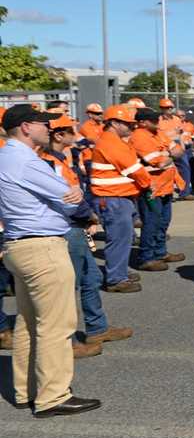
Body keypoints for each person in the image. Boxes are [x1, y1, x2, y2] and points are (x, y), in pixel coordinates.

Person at [0, 104, 102, 417]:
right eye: (43, 123)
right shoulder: (25, 161)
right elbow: (70, 201)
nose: (49, 128)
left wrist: (72, 195)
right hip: (42, 247)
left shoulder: (6, 156)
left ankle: (25, 390)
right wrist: (79, 201)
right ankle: (52, 396)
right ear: (25, 127)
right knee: (56, 326)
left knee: (29, 323)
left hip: (20, 245)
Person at [43, 115, 133, 352]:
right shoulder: (49, 162)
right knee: (66, 287)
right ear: (59, 135)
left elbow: (77, 192)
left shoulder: (63, 159)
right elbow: (64, 198)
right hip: (66, 227)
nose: (76, 134)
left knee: (91, 279)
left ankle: (96, 329)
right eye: (71, 131)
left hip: (75, 226)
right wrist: (88, 216)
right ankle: (66, 343)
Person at [90, 105, 152, 293]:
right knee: (118, 238)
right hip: (113, 197)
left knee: (123, 238)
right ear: (115, 123)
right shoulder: (111, 143)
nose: (131, 127)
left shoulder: (112, 140)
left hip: (117, 196)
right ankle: (116, 279)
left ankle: (119, 271)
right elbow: (133, 169)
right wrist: (148, 183)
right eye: (127, 123)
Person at [130, 108, 184, 271]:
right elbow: (159, 162)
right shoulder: (139, 137)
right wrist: (171, 153)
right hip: (151, 187)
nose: (157, 122)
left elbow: (179, 151)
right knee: (151, 223)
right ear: (142, 122)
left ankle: (160, 252)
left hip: (165, 185)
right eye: (153, 120)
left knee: (163, 221)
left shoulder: (157, 133)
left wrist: (170, 154)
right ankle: (147, 257)